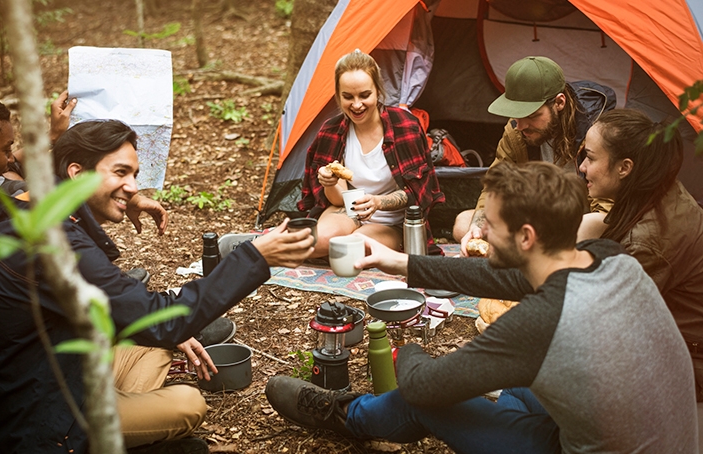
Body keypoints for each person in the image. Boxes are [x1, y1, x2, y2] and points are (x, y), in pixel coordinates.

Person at [266, 161, 697, 453]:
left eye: (489, 222)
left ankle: (347, 416)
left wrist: (409, 348)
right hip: (654, 436)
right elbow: (511, 278)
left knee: (424, 398)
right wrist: (402, 263)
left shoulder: (543, 322)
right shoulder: (607, 254)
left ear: (526, 237)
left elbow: (422, 388)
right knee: (515, 387)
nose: (479, 230)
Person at [0, 120, 315, 454]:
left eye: (134, 175)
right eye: (120, 173)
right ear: (76, 173)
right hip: (38, 425)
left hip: (49, 372)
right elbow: (165, 320)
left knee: (161, 346)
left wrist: (119, 198)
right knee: (187, 402)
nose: (133, 186)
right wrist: (256, 256)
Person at [0, 94, 163, 376]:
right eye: (6, 148)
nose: (11, 157)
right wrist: (125, 196)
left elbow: (11, 167)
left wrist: (53, 136)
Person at [575, 108, 703, 401]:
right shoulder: (658, 189)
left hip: (688, 365)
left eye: (591, 158)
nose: (582, 167)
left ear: (625, 168)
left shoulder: (650, 241)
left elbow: (605, 325)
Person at [454, 56, 615, 255]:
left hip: (584, 221)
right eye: (517, 115)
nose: (521, 126)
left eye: (531, 116)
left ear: (559, 102)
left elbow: (606, 211)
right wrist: (477, 226)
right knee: (464, 224)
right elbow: (497, 184)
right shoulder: (517, 129)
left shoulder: (597, 132)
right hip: (540, 218)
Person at [297, 49, 444, 258]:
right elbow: (338, 200)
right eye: (348, 97)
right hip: (348, 211)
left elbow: (421, 192)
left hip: (390, 221)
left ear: (378, 91)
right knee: (313, 244)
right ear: (338, 96)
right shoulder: (331, 131)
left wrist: (378, 202)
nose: (356, 105)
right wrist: (329, 184)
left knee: (348, 248)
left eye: (364, 95)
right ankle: (261, 247)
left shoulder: (405, 126)